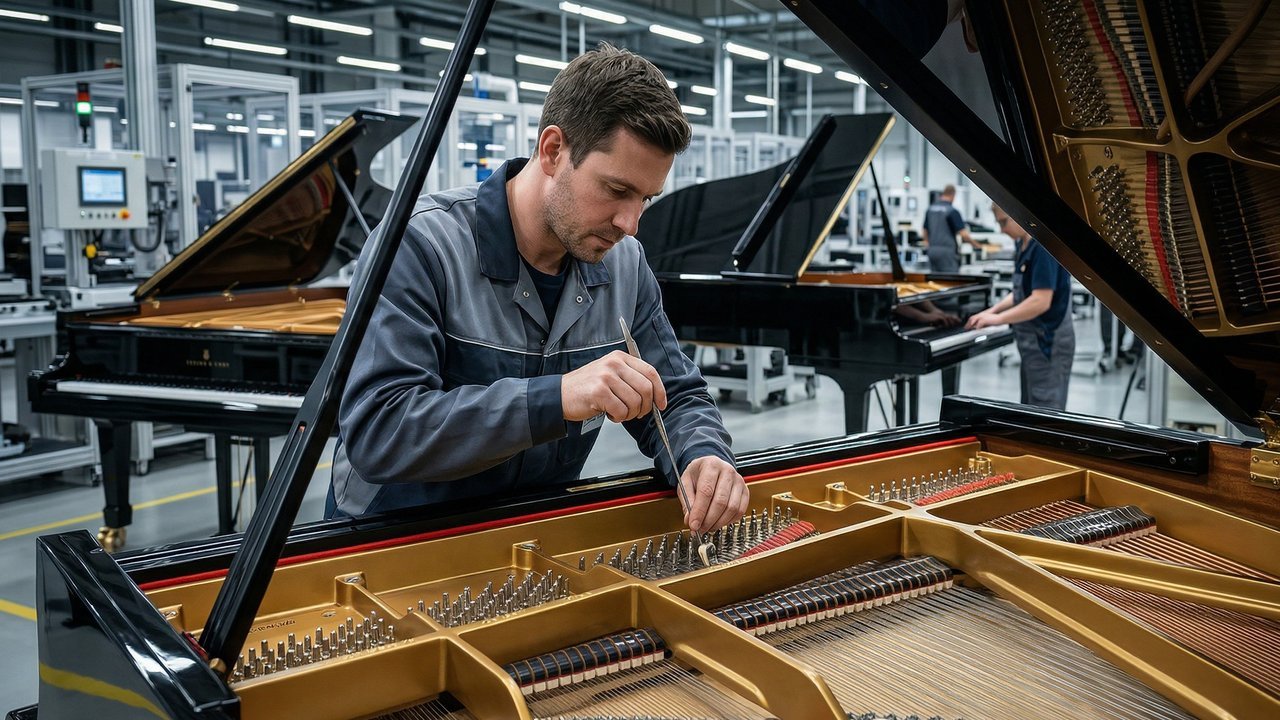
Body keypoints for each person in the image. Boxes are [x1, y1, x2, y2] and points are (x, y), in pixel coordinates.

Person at [328, 43, 748, 535]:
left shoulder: (625, 263)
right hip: (394, 541)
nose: (631, 224)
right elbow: (381, 431)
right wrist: (556, 398)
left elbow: (675, 395)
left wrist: (701, 454)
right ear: (553, 151)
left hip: (533, 537)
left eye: (645, 199)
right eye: (616, 191)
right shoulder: (419, 246)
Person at [966, 204, 1075, 410]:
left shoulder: (1043, 245)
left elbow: (1040, 301)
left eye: (1003, 222)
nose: (1001, 230)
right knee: (1031, 407)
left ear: (1019, 214)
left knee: (1046, 411)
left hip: (1048, 342)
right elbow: (1021, 293)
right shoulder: (1022, 244)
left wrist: (997, 319)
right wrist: (991, 311)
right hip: (1033, 341)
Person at [921, 184, 978, 273]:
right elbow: (963, 235)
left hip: (932, 251)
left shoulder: (930, 209)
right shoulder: (952, 211)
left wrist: (929, 245)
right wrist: (976, 245)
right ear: (953, 195)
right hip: (947, 252)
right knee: (950, 279)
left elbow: (924, 231)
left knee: (935, 280)